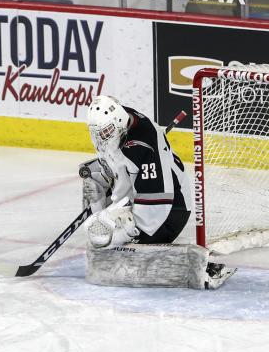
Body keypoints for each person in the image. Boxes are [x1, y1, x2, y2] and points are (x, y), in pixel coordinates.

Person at [80, 95, 235, 289]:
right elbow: (119, 165)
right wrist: (102, 186)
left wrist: (124, 233)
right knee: (99, 224)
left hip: (171, 210)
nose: (101, 138)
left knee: (115, 250)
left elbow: (156, 205)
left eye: (106, 132)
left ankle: (202, 267)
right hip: (137, 198)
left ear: (118, 121)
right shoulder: (118, 123)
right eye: (98, 133)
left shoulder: (145, 145)